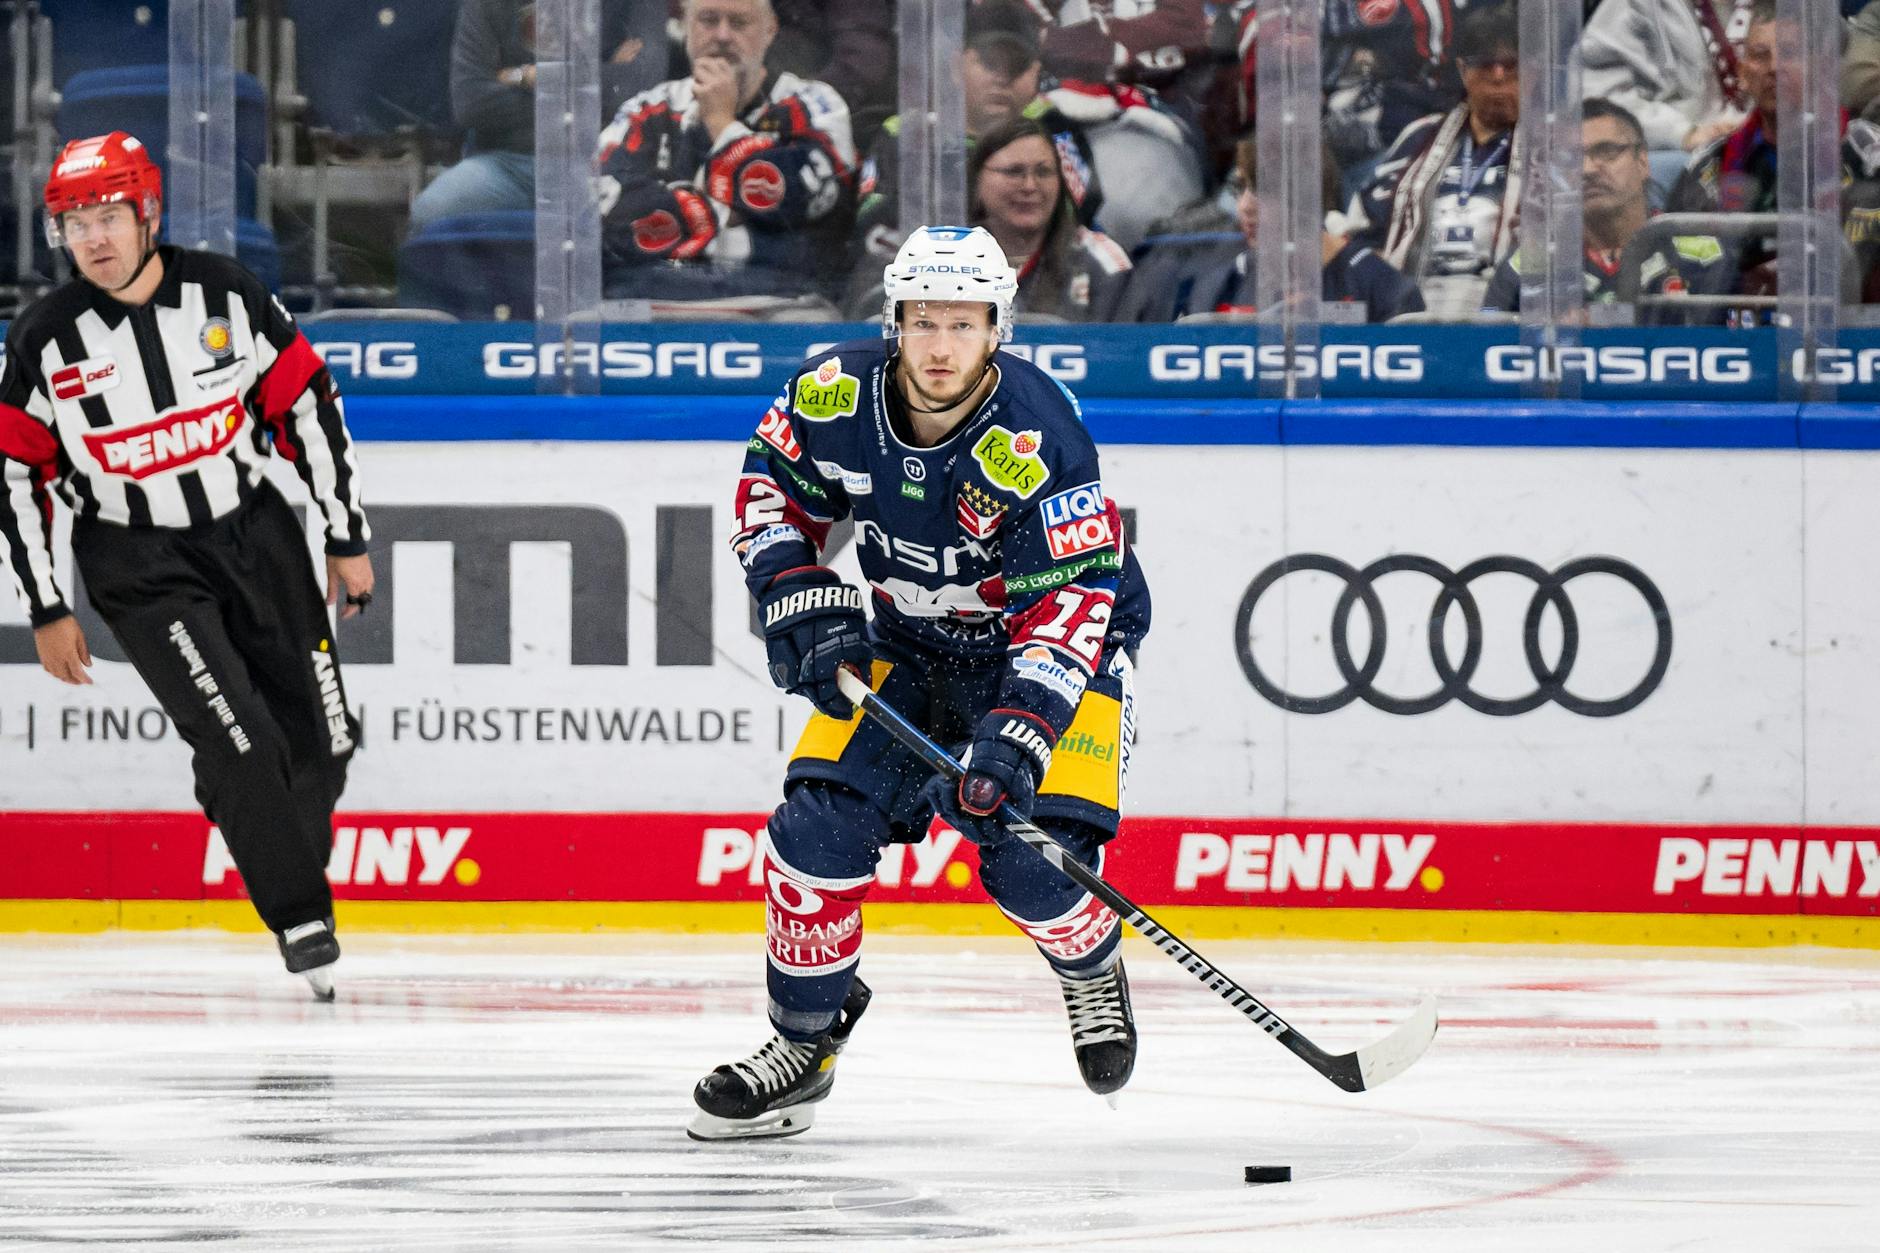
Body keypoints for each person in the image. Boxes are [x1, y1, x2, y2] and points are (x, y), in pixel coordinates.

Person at [693, 225, 1152, 1140]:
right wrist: (795, 594)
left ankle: (1090, 958)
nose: (941, 346)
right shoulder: (830, 392)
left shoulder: (1041, 432)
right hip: (908, 644)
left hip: (1060, 652)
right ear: (894, 321)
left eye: (964, 324)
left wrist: (1016, 734)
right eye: (923, 322)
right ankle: (804, 1040)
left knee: (1030, 855)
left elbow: (1074, 600)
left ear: (998, 330)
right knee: (815, 829)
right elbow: (766, 495)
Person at [0, 133, 372, 1000]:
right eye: (74, 222)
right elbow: (15, 474)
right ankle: (299, 918)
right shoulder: (46, 340)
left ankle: (239, 796)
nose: (93, 237)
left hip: (258, 535)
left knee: (325, 740)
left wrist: (344, 535)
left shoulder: (227, 294)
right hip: (137, 562)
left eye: (108, 216)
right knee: (240, 737)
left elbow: (307, 405)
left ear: (148, 214)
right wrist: (46, 605)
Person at [594, 0, 857, 301]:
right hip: (656, 304)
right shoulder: (647, 109)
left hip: (783, 309)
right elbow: (605, 207)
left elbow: (803, 205)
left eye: (739, 23)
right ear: (684, 27)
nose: (722, 35)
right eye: (708, 20)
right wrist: (736, 214)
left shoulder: (815, 105)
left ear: (770, 30)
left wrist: (721, 122)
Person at [852, 0, 1106, 269]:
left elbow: (1078, 220)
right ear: (956, 66)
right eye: (989, 62)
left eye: (1017, 66)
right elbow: (872, 229)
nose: (1002, 78)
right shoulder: (907, 134)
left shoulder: (1056, 129)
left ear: (1036, 72)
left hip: (1037, 286)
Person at [409, 0, 670, 232]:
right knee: (430, 214)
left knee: (647, 219)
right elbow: (471, 103)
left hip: (606, 164)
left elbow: (641, 85)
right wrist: (603, 74)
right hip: (508, 165)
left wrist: (527, 76)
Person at [1481, 99, 1737, 320]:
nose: (1588, 169)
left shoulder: (1704, 254)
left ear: (1642, 162)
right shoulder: (1526, 264)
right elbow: (1482, 352)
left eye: (1607, 151)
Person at [1349, 4, 1523, 317]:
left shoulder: (1553, 146)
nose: (1498, 77)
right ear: (1462, 70)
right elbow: (1362, 229)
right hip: (1414, 310)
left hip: (1511, 311)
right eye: (1485, 64)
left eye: (1512, 66)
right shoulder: (1419, 138)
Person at [968, 117, 1133, 321]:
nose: (1030, 186)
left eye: (1043, 172)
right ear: (977, 180)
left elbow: (1126, 349)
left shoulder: (1102, 263)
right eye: (1014, 172)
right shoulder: (945, 256)